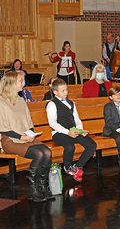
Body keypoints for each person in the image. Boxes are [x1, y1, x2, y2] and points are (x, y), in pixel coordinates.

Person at [0, 72, 53, 202]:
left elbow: (29, 122)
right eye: (20, 80)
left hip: (24, 137)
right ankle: (33, 189)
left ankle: (42, 186)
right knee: (38, 154)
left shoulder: (21, 100)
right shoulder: (1, 102)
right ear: (11, 83)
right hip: (9, 139)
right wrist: (21, 137)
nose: (23, 83)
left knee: (47, 152)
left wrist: (30, 134)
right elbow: (2, 128)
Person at [46, 79, 96, 182]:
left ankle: (78, 166)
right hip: (59, 133)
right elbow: (53, 123)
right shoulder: (52, 104)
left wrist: (80, 129)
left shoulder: (71, 103)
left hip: (73, 131)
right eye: (63, 91)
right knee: (69, 147)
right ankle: (67, 167)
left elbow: (77, 119)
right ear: (55, 92)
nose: (66, 92)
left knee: (92, 145)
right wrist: (67, 132)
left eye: (66, 90)